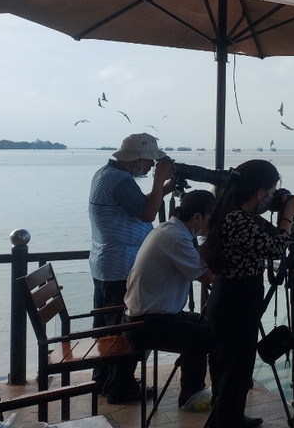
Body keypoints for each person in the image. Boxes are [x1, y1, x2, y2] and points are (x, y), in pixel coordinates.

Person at [201, 159, 294, 428]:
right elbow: (274, 249)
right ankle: (225, 422)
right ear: (260, 192)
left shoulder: (239, 215)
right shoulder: (238, 218)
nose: (270, 197)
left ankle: (230, 417)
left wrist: (290, 214)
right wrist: (287, 214)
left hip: (235, 298)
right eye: (270, 192)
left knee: (236, 367)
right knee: (234, 368)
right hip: (235, 300)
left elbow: (283, 234)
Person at [88, 132, 174, 402]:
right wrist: (161, 181)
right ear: (137, 159)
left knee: (106, 327)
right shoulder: (120, 180)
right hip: (119, 264)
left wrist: (165, 188)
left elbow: (138, 205)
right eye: (149, 163)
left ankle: (104, 379)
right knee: (124, 328)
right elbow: (148, 213)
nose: (150, 168)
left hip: (106, 261)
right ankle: (120, 387)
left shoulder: (108, 174)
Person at [122, 189, 216, 411]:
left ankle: (193, 391)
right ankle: (196, 395)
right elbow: (207, 277)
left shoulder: (169, 229)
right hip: (147, 325)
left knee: (207, 326)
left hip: (144, 318)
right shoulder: (176, 238)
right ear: (197, 217)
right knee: (212, 336)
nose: (213, 224)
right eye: (212, 218)